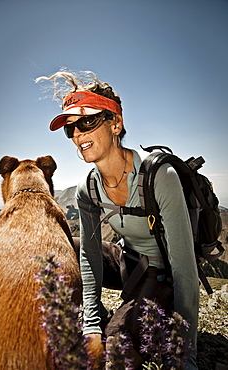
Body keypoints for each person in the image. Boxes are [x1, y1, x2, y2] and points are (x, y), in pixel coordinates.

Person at [36, 69, 199, 369]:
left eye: (88, 121)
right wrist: (91, 323)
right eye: (70, 128)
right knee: (55, 252)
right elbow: (89, 253)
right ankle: (95, 319)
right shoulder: (89, 188)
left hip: (160, 274)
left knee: (115, 351)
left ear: (116, 124)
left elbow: (185, 270)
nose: (78, 135)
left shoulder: (159, 177)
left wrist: (187, 356)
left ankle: (126, 326)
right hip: (126, 261)